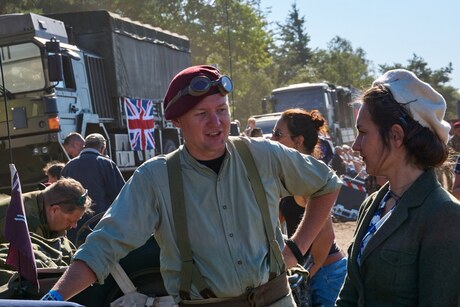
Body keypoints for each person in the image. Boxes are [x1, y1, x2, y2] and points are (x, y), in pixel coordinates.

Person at [42, 65, 341, 305]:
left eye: (222, 110)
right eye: (202, 114)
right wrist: (54, 298)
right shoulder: (155, 179)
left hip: (275, 298)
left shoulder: (262, 154)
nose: (217, 122)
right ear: (177, 123)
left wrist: (296, 248)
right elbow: (103, 245)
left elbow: (326, 184)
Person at [336, 69, 460, 306]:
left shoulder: (444, 215)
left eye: (362, 133)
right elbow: (350, 294)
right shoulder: (372, 204)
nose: (355, 145)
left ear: (396, 135)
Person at [272, 108, 346, 307]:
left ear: (298, 141)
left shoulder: (309, 181)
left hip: (326, 275)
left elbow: (326, 239)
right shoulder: (291, 178)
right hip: (314, 271)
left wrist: (304, 277)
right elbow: (274, 224)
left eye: (278, 134)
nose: (271, 139)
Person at [61, 133, 125, 244]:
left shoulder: (68, 166)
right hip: (102, 227)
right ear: (102, 148)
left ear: (85, 146)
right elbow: (121, 195)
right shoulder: (106, 164)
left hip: (74, 228)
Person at [0, 178, 92, 243]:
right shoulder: (21, 220)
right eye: (70, 221)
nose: (74, 225)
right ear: (54, 210)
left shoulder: (53, 215)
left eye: (76, 220)